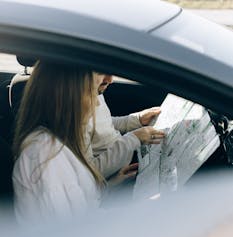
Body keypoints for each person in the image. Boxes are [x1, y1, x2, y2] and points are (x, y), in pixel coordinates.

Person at [12, 62, 164, 223]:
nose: (97, 103)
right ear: (68, 98)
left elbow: (80, 202)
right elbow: (77, 232)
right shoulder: (45, 158)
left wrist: (110, 186)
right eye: (91, 94)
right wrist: (141, 210)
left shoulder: (61, 143)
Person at [86, 74, 164, 179]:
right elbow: (89, 174)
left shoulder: (95, 91)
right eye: (100, 73)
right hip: (114, 177)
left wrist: (137, 119)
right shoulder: (74, 116)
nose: (110, 80)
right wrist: (134, 138)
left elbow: (102, 123)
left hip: (128, 158)